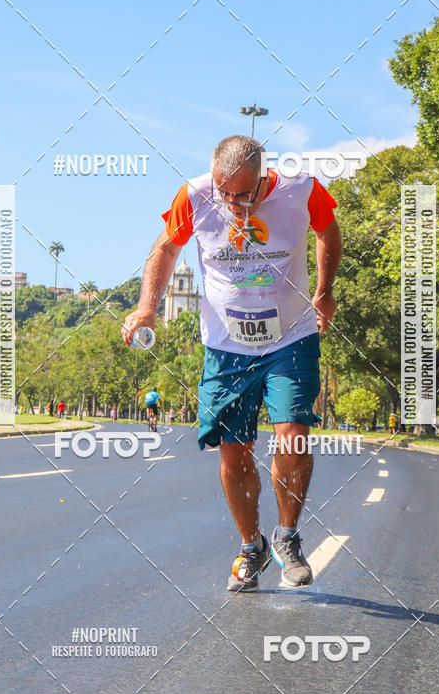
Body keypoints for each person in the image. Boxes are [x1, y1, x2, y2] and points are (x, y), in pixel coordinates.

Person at [123, 135, 341, 592]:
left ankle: (287, 535)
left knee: (293, 436)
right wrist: (147, 306)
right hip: (226, 345)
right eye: (227, 193)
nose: (235, 204)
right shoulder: (196, 195)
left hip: (291, 336)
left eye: (244, 194)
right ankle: (251, 546)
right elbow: (164, 248)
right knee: (233, 452)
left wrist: (324, 290)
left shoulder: (301, 190)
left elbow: (328, 229)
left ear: (263, 176)